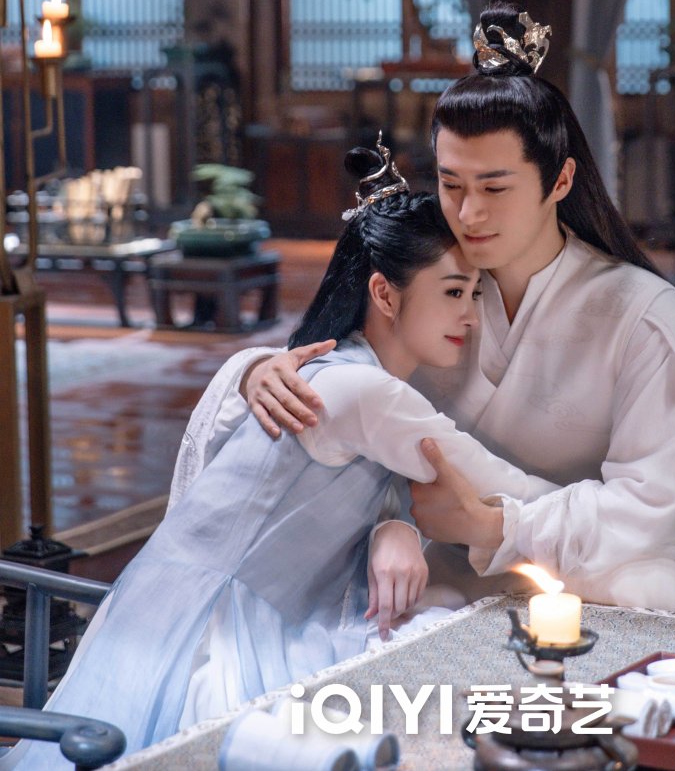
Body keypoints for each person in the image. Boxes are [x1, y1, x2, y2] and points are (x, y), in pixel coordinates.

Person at [10, 147, 557, 768]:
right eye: (455, 291)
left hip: (165, 610)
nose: (470, 315)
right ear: (384, 293)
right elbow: (507, 489)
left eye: (476, 292)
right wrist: (612, 518)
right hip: (228, 641)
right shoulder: (366, 392)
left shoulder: (337, 368)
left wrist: (396, 527)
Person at [235, 3, 675, 618]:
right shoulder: (426, 285)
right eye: (451, 185)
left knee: (646, 593)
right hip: (459, 561)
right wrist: (263, 373)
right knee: (391, 619)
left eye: (495, 188)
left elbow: (650, 510)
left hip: (607, 567)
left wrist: (497, 526)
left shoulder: (642, 315)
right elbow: (363, 412)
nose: (469, 213)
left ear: (560, 181)